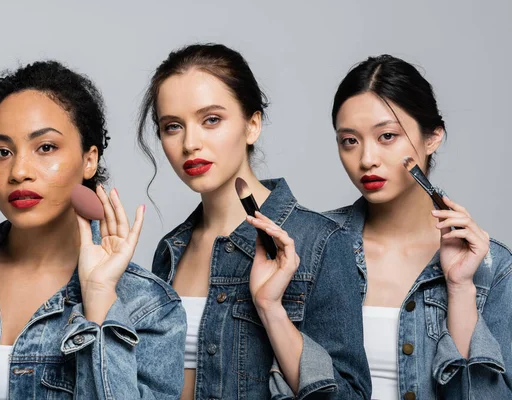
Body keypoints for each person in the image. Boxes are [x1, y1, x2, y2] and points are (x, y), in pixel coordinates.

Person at [0, 60, 185, 399]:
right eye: (2, 152)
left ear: (89, 160)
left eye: (45, 147)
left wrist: (99, 298)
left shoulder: (150, 307)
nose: (19, 170)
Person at [137, 43, 371, 399]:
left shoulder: (319, 242)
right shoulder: (170, 250)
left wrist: (270, 310)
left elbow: (349, 394)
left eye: (211, 120)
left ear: (252, 125)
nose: (190, 143)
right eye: (172, 126)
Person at [325, 54, 512, 399]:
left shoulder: (494, 267)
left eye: (387, 137)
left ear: (432, 137)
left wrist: (460, 289)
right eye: (349, 140)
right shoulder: (313, 246)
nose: (367, 159)